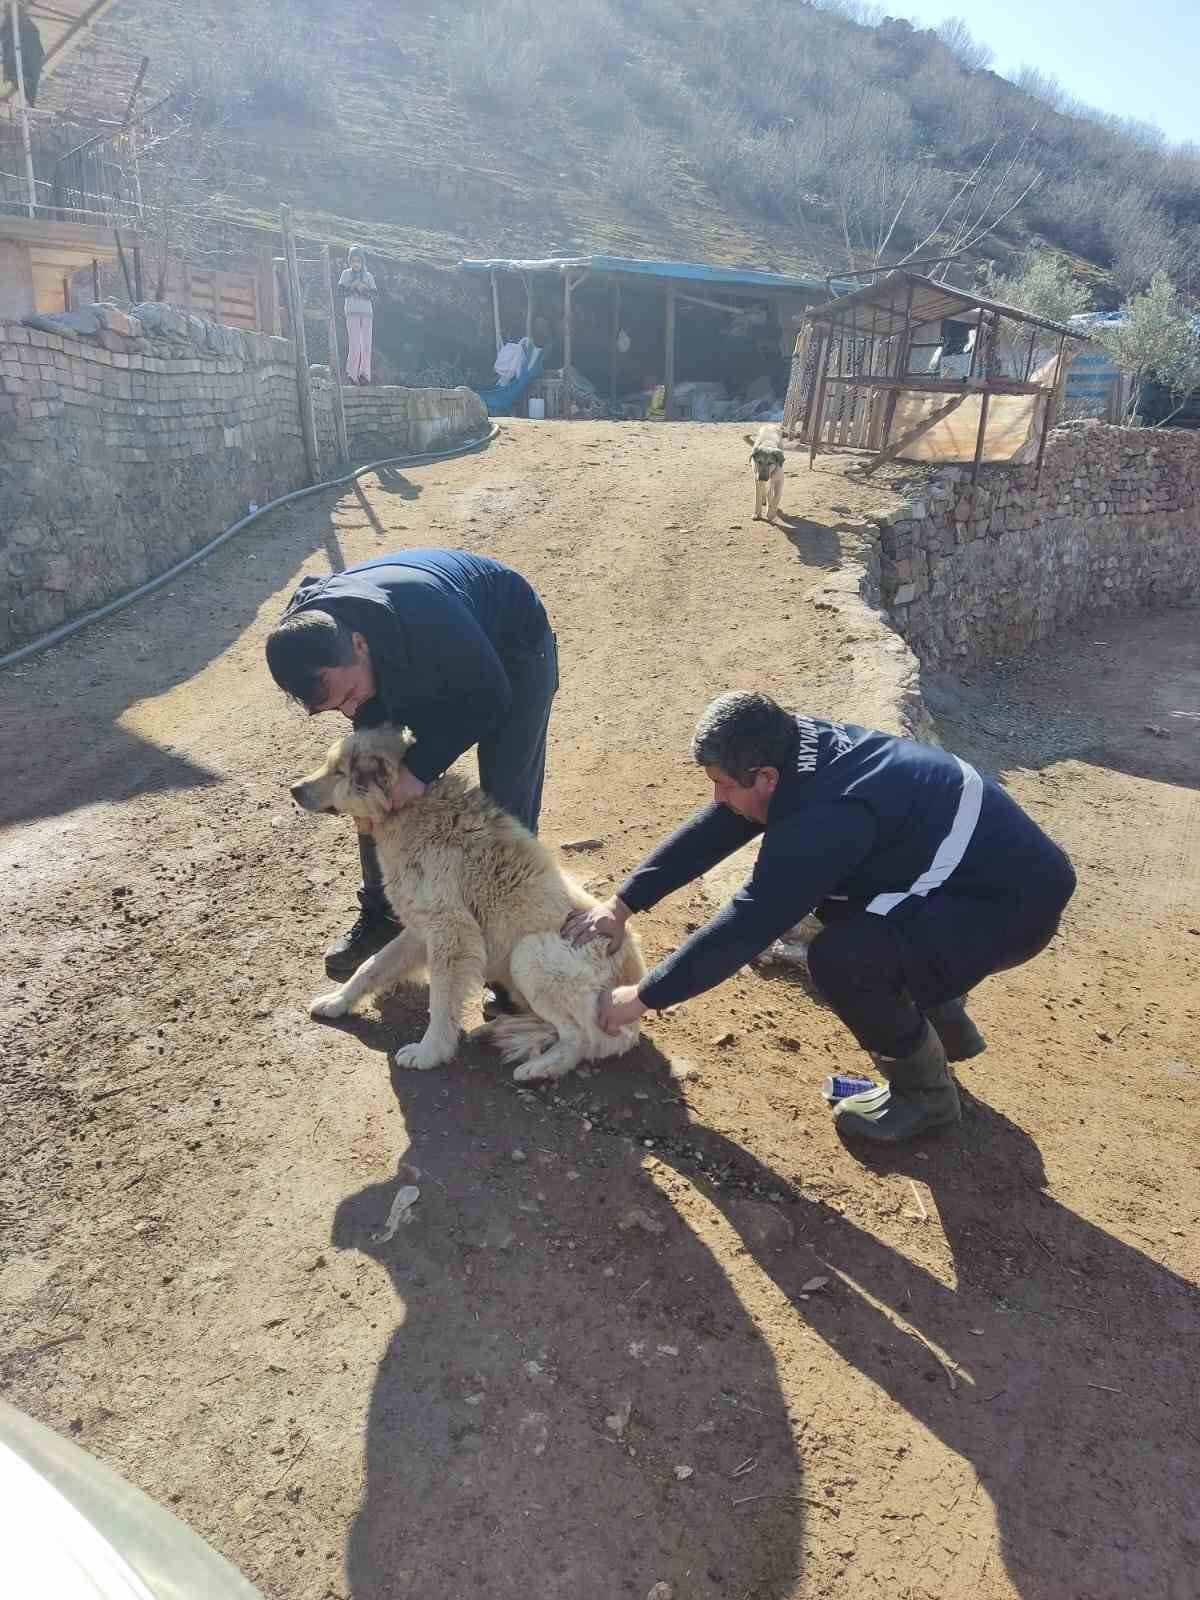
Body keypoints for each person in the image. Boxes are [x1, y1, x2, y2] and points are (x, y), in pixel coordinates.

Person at [563, 691, 1076, 1145]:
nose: (716, 796)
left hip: (1006, 907)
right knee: (846, 908)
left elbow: (750, 922)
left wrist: (644, 996)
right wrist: (623, 904)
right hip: (985, 872)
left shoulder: (828, 815)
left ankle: (925, 1096)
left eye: (722, 784)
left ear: (764, 777)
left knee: (846, 959)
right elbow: (724, 822)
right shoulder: (792, 749)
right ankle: (944, 1026)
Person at [266, 549, 558, 983]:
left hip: (509, 652)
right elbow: (362, 724)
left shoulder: (428, 613)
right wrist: (382, 784)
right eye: (336, 706)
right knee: (370, 792)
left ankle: (513, 943)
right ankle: (384, 916)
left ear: (360, 644)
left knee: (506, 797)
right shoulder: (307, 635)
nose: (350, 709)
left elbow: (490, 697)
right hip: (410, 661)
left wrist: (418, 768)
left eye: (348, 695)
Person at [337, 245, 377, 386]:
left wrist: (364, 289)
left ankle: (364, 375)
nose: (356, 264)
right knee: (354, 345)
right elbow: (341, 293)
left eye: (358, 261)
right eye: (353, 261)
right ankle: (351, 373)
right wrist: (352, 287)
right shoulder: (345, 274)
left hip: (367, 314)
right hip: (352, 312)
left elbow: (374, 296)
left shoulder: (368, 276)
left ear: (363, 262)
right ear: (350, 262)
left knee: (366, 345)